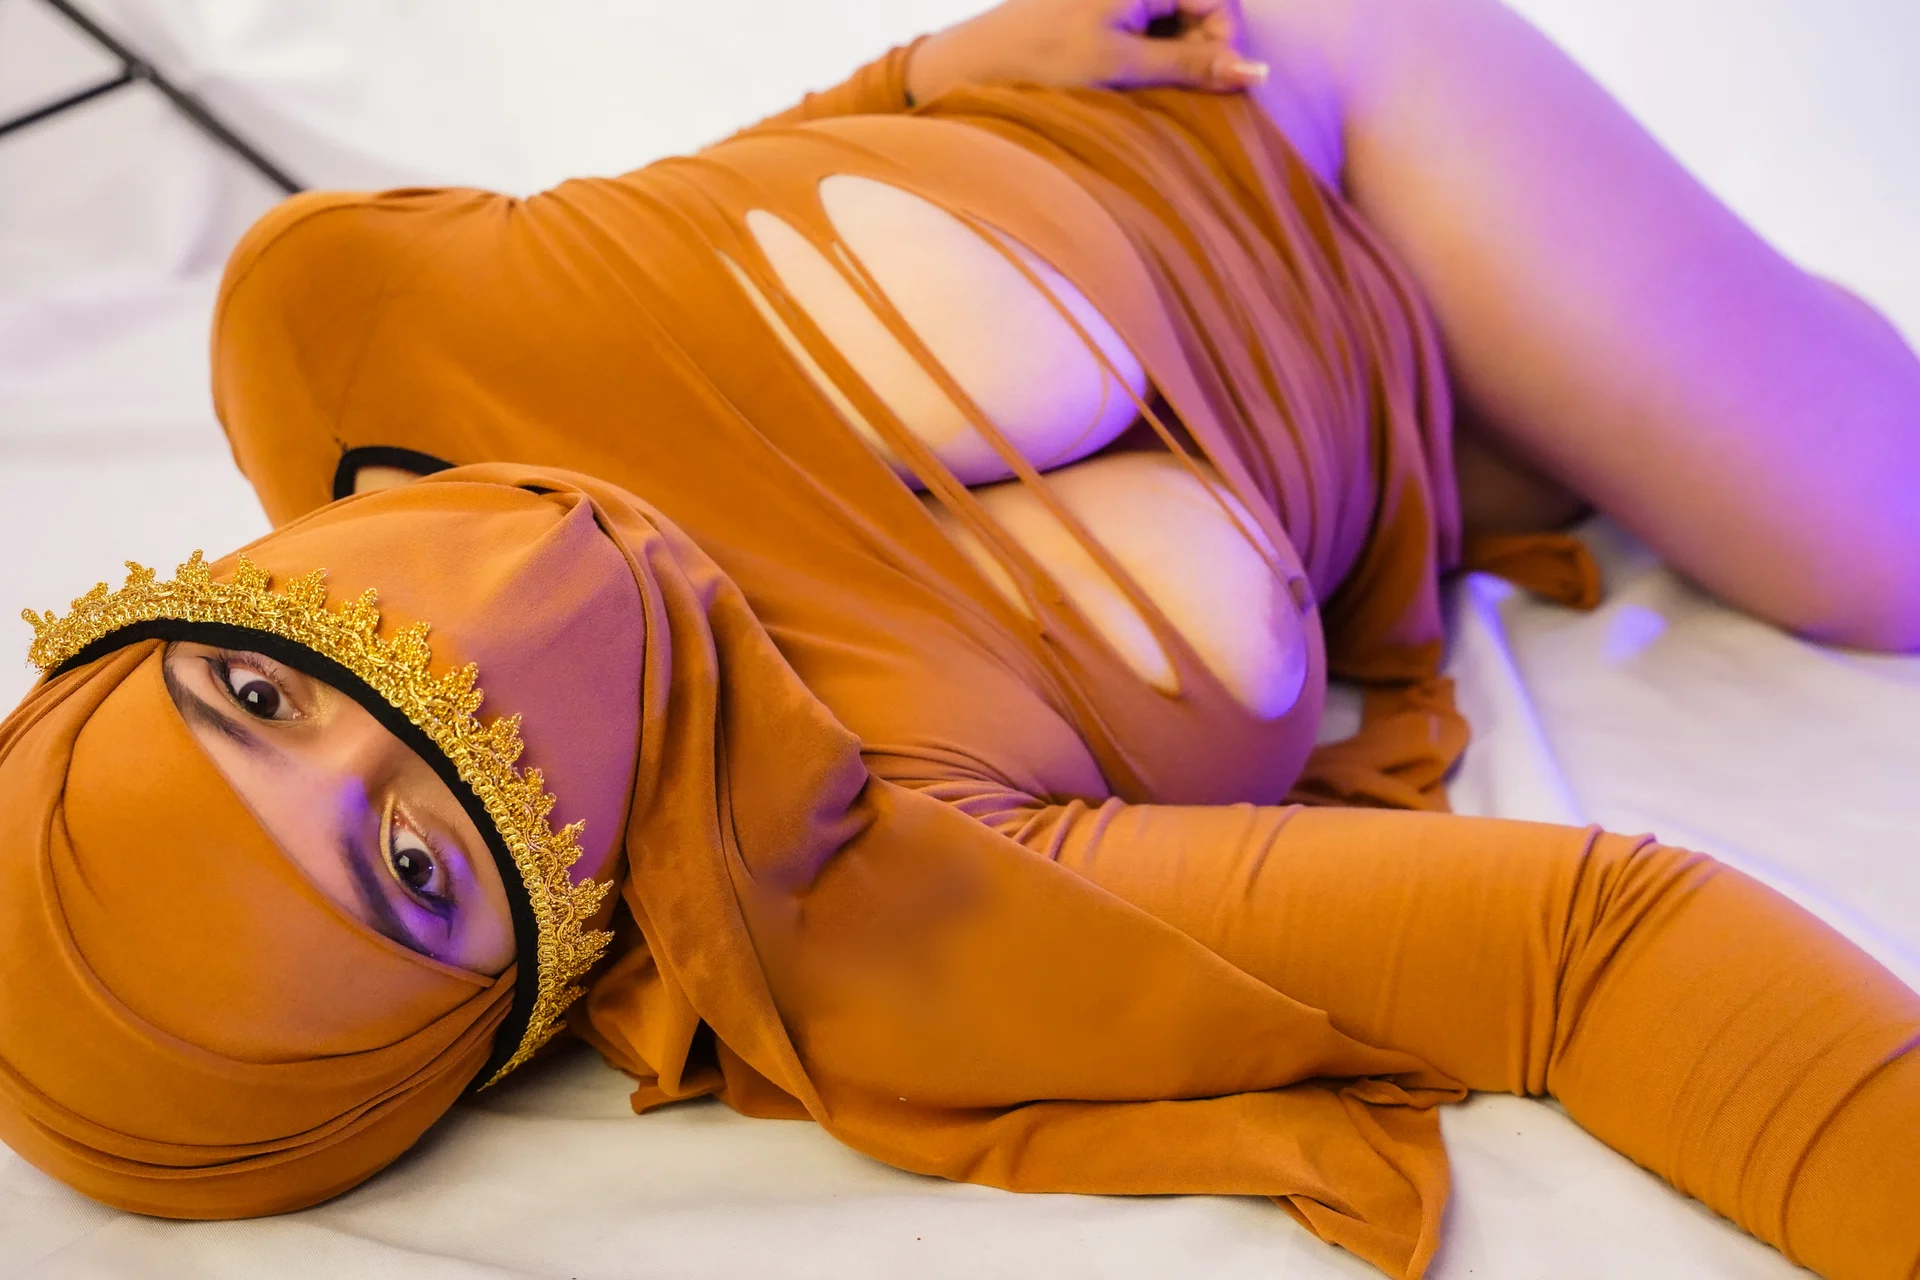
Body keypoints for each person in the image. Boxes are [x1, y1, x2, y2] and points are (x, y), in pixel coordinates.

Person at [2, 1, 1916, 1278]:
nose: (405, 702)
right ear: (503, 1027)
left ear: (167, 616)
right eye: (415, 865)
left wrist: (928, 68)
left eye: (254, 691)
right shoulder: (879, 899)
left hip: (1301, 98)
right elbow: (1594, 951)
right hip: (1413, 443)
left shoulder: (331, 319)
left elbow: (673, 226)